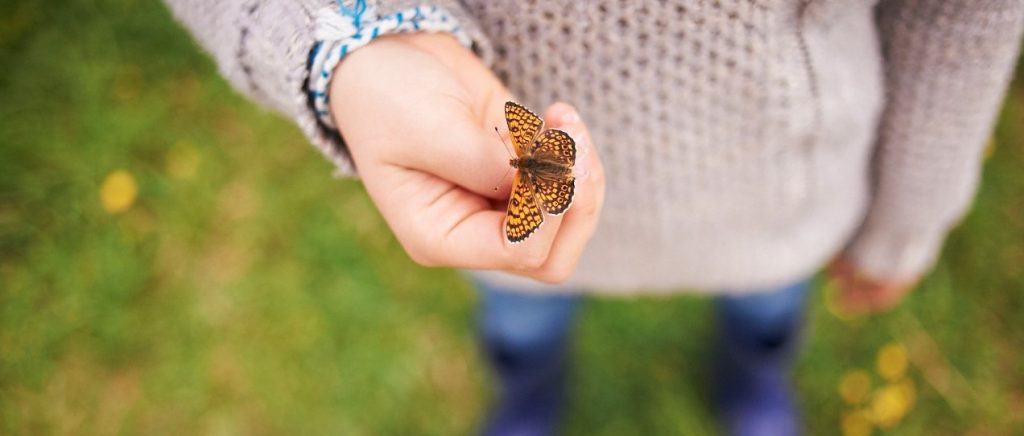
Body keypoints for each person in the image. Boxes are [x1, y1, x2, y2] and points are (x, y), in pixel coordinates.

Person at [165, 1, 1024, 434]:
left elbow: (960, 16)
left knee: (768, 309)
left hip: (780, 198)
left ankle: (752, 383)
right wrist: (346, 44)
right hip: (505, 201)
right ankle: (529, 396)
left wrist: (908, 220)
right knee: (520, 317)